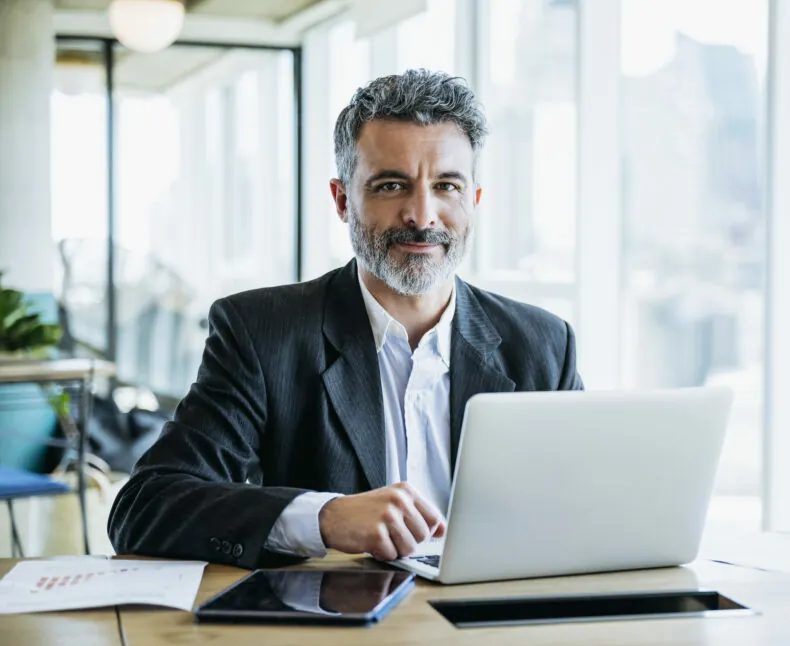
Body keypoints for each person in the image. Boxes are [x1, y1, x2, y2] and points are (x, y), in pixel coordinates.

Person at [107, 69, 583, 568]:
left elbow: (585, 506)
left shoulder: (543, 344)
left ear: (475, 202)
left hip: (501, 623)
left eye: (446, 186)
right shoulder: (261, 332)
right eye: (391, 185)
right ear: (342, 200)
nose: (422, 215)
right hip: (340, 629)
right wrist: (324, 517)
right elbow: (144, 507)